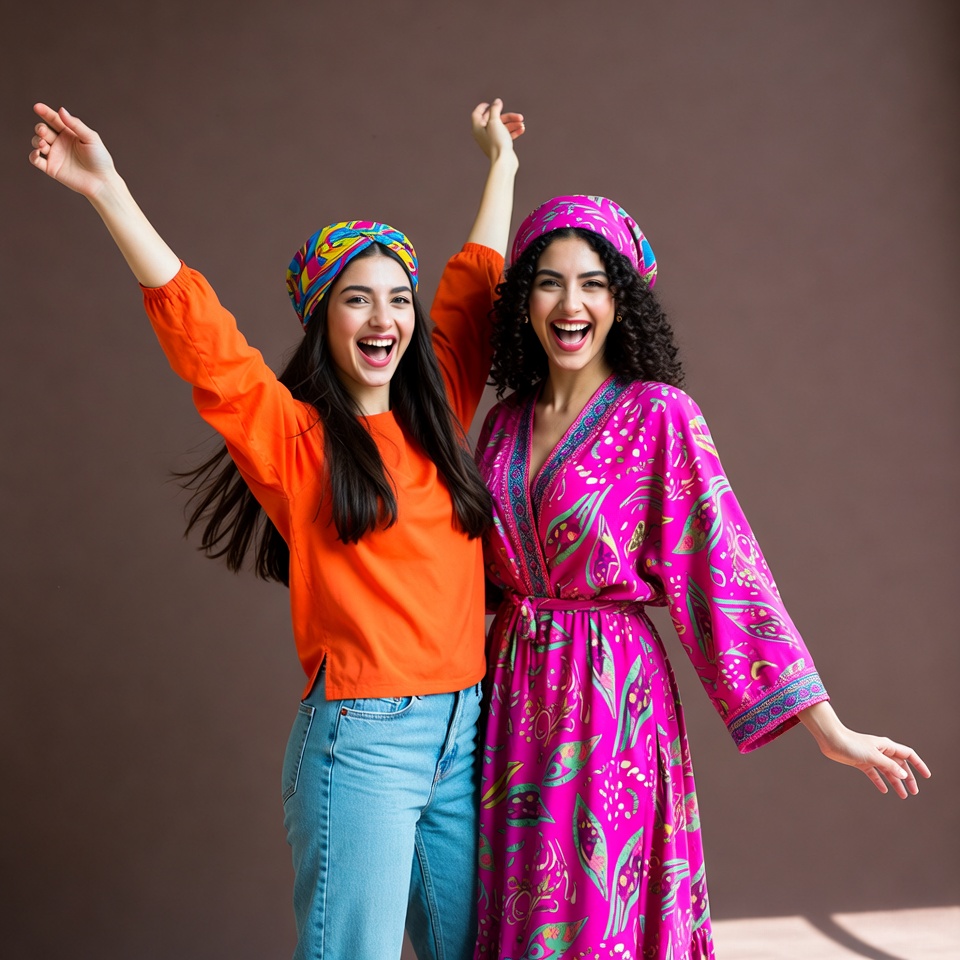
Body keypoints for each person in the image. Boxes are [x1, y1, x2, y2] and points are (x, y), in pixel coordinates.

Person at [28, 99, 524, 960]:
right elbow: (202, 338)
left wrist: (501, 165)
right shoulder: (294, 440)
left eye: (398, 300)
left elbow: (477, 278)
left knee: (481, 949)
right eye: (357, 301)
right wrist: (107, 190)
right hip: (365, 744)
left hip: (468, 729)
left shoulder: (442, 399)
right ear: (322, 319)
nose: (383, 320)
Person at [472, 195, 931, 959]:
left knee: (592, 924)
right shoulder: (501, 422)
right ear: (524, 300)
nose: (571, 303)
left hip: (607, 705)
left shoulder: (659, 416)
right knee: (515, 916)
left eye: (594, 282)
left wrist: (829, 730)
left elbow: (726, 569)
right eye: (548, 283)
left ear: (622, 298)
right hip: (510, 694)